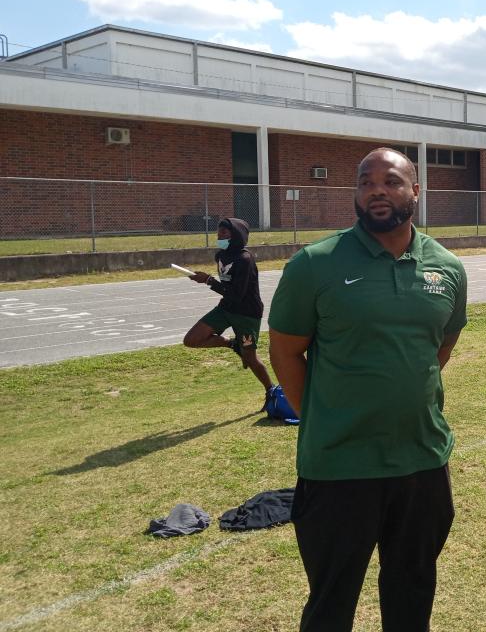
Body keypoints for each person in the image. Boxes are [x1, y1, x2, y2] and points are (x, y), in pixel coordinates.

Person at [268, 147, 468, 632]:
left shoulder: (447, 269)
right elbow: (285, 353)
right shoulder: (315, 264)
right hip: (339, 466)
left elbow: (439, 348)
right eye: (365, 181)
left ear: (416, 191)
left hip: (421, 462)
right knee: (331, 602)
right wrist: (322, 414)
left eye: (392, 181)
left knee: (412, 590)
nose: (377, 189)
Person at [183, 217, 280, 404]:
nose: (219, 236)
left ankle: (271, 392)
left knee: (251, 358)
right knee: (191, 340)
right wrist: (208, 280)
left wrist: (208, 281)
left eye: (224, 233)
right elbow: (228, 291)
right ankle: (233, 345)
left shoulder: (245, 259)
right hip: (226, 308)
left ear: (236, 235)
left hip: (246, 314)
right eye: (218, 233)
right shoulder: (220, 256)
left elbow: (237, 294)